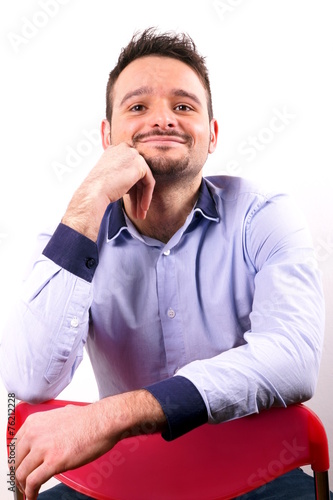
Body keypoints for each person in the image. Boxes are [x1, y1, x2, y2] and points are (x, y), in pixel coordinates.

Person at [0, 28, 327, 499]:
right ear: (107, 136)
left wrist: (111, 415)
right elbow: (28, 378)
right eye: (137, 107)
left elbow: (293, 361)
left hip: (257, 476)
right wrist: (89, 200)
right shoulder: (71, 234)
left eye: (184, 106)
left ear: (211, 135)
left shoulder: (265, 215)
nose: (162, 120)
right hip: (120, 482)